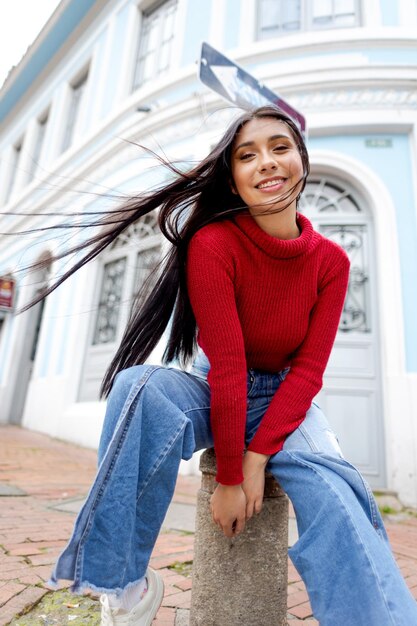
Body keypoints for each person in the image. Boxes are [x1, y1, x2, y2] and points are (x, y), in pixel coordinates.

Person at [25, 105, 416, 625]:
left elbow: (308, 372)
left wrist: (253, 462)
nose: (266, 163)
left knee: (338, 497)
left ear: (302, 160)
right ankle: (125, 585)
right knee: (138, 386)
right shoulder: (214, 244)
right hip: (215, 388)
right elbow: (228, 365)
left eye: (280, 148)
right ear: (232, 181)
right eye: (246, 156)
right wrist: (230, 477)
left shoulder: (331, 262)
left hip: (287, 401)